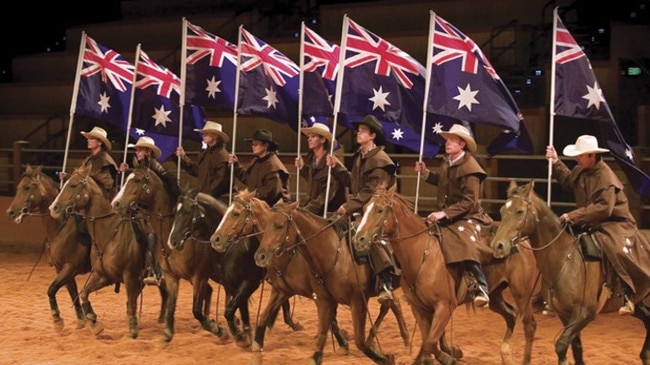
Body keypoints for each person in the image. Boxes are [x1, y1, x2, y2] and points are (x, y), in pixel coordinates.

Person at [546, 135, 650, 316]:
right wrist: (555, 161)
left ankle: (627, 293)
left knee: (613, 247)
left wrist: (574, 215)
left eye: (580, 155)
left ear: (592, 156)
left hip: (615, 223)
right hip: (592, 220)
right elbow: (568, 180)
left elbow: (604, 208)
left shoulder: (606, 177)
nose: (577, 158)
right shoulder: (581, 170)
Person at [414, 124, 493, 308]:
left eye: (452, 141)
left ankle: (480, 286)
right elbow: (444, 183)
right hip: (448, 214)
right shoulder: (448, 162)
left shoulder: (471, 168)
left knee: (464, 243)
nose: (447, 143)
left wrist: (444, 213)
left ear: (462, 145)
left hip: (468, 216)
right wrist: (426, 174)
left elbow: (469, 202)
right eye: (447, 140)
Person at [326, 115, 398, 304]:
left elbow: (370, 191)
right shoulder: (360, 156)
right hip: (361, 207)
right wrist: (337, 168)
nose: (358, 133)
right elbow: (354, 183)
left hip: (377, 209)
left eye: (363, 131)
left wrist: (347, 206)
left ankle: (385, 281)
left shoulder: (382, 160)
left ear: (372, 135)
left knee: (369, 236)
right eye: (358, 131)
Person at [119, 136, 172, 286]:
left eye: (140, 150)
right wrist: (127, 170)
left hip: (155, 211)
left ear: (148, 151)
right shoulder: (139, 166)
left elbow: (163, 186)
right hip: (141, 210)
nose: (137, 152)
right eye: (136, 150)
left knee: (152, 237)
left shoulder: (156, 167)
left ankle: (157, 271)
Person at [294, 122, 348, 216]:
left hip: (329, 212)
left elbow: (327, 194)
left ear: (323, 140)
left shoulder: (331, 163)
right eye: (309, 137)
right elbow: (314, 181)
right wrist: (302, 168)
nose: (309, 139)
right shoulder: (312, 160)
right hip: (315, 208)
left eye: (313, 136)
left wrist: (306, 210)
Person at [228, 128, 290, 207]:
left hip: (273, 207)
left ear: (265, 146)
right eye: (252, 144)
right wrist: (236, 164)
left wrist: (249, 196)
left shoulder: (273, 165)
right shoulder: (256, 161)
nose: (253, 147)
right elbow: (247, 178)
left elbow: (271, 192)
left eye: (256, 144)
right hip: (257, 203)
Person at [176, 121, 232, 203]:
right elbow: (196, 171)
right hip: (205, 196)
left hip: (218, 199)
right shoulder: (204, 154)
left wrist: (206, 195)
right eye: (203, 133)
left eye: (207, 133)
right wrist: (183, 157)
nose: (203, 135)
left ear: (215, 135)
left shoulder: (222, 155)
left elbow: (221, 180)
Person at [59, 126, 118, 200]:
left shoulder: (103, 159)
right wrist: (68, 177)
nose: (88, 140)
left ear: (100, 142)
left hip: (102, 197)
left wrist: (70, 177)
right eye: (88, 138)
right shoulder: (90, 158)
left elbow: (95, 179)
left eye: (92, 138)